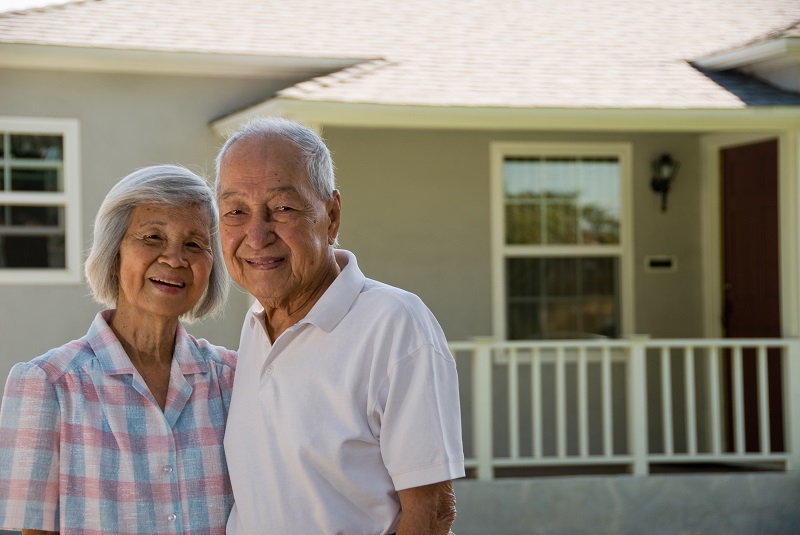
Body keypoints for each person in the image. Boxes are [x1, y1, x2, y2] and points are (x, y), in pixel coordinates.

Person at [216, 117, 465, 535]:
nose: (256, 235)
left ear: (331, 216)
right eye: (235, 211)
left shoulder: (394, 324)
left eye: (282, 208)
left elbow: (431, 514)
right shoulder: (256, 327)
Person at [0, 165, 236, 535]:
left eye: (193, 244)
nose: (174, 259)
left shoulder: (236, 381)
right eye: (152, 237)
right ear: (114, 253)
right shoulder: (47, 385)